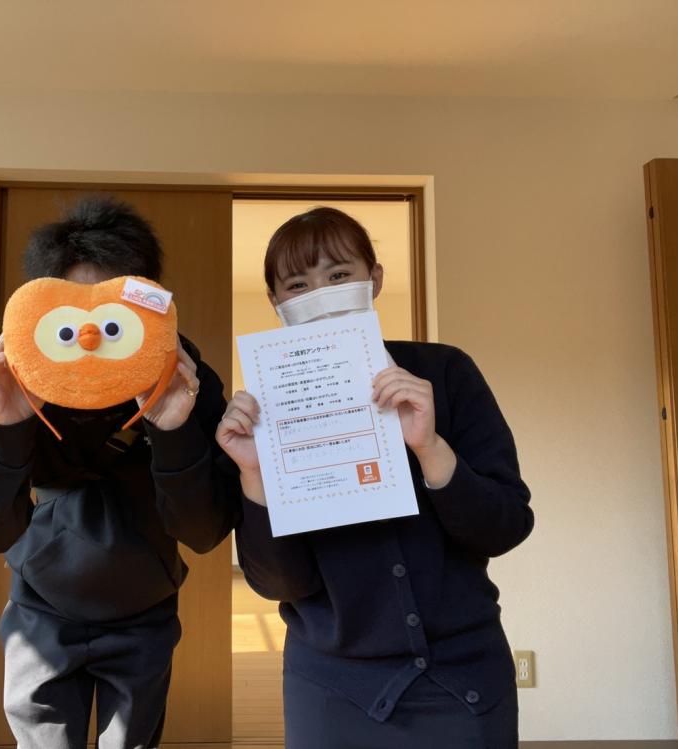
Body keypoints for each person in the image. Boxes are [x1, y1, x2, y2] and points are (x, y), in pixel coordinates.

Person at [218, 207, 533, 748]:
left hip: (464, 678)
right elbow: (278, 584)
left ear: (375, 279)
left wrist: (430, 448)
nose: (321, 295)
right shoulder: (268, 409)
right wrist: (254, 472)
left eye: (339, 275)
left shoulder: (446, 374)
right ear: (276, 302)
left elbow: (505, 527)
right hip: (331, 685)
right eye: (298, 285)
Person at [0, 196, 240, 749]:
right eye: (74, 306)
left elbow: (204, 530)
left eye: (111, 307)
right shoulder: (17, 373)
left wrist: (172, 427)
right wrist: (7, 425)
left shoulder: (183, 374)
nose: (91, 333)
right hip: (40, 607)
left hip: (145, 607)